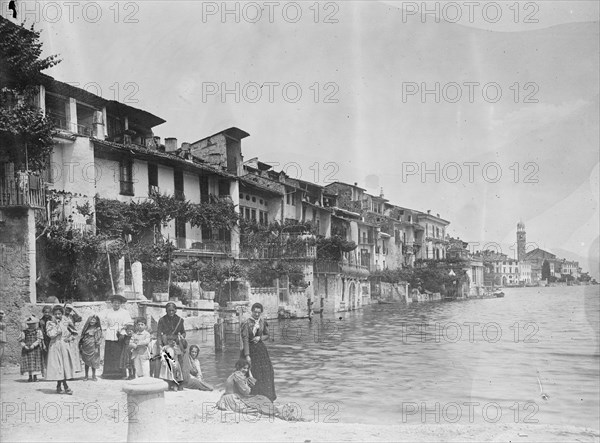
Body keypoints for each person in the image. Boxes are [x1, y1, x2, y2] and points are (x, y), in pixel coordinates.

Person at [216, 358, 292, 419]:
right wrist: (249, 379)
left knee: (260, 399)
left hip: (228, 398)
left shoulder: (234, 374)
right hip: (232, 399)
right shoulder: (238, 375)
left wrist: (247, 378)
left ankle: (276, 409)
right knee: (259, 400)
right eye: (244, 368)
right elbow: (246, 391)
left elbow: (242, 389)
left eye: (247, 369)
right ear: (239, 367)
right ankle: (278, 410)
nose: (245, 370)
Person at [240, 302, 276, 401]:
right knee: (252, 372)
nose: (256, 314)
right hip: (250, 350)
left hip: (261, 350)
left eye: (259, 313)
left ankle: (266, 396)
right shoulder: (246, 323)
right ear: (252, 311)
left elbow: (267, 335)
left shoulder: (262, 322)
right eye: (255, 312)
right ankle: (253, 396)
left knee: (266, 372)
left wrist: (260, 338)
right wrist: (247, 355)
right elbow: (245, 339)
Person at [99, 294, 132, 379]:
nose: (116, 305)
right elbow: (102, 320)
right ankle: (108, 373)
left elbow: (128, 323)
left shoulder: (125, 312)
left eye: (118, 303)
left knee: (119, 353)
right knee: (110, 353)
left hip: (120, 333)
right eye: (114, 303)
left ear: (120, 304)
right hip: (110, 333)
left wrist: (122, 329)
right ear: (112, 303)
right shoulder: (108, 312)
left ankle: (119, 373)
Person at [46, 305, 75, 394]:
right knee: (58, 367)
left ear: (62, 314)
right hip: (55, 346)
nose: (58, 316)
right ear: (53, 315)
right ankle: (66, 386)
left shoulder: (65, 322)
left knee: (64, 366)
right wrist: (57, 327)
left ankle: (59, 386)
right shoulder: (50, 323)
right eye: (56, 314)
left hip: (64, 346)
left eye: (59, 314)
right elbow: (50, 334)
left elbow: (71, 333)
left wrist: (69, 338)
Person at [157, 302, 186, 370]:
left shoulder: (180, 320)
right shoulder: (162, 320)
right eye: (169, 310)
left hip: (176, 341)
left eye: (172, 310)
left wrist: (182, 336)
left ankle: (180, 373)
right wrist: (160, 344)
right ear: (166, 310)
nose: (171, 312)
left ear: (175, 310)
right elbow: (158, 334)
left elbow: (183, 332)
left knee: (180, 357)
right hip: (166, 341)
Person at [20, 316, 43, 382]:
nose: (31, 325)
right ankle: (30, 376)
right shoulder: (24, 332)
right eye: (29, 324)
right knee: (28, 362)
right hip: (27, 349)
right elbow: (21, 340)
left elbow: (39, 339)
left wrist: (34, 345)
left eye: (33, 324)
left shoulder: (38, 331)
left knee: (35, 362)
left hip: (35, 349)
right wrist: (24, 346)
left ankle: (35, 376)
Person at [79, 315, 102, 381]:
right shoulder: (86, 329)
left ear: (96, 321)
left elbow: (98, 339)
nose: (92, 321)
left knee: (93, 361)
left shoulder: (97, 329)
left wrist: (97, 348)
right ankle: (86, 375)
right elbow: (82, 337)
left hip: (93, 346)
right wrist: (81, 345)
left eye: (94, 320)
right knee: (86, 361)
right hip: (86, 346)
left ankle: (93, 375)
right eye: (91, 320)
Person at [39, 306, 53, 377]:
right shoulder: (41, 321)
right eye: (45, 312)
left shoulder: (52, 319)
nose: (47, 313)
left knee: (52, 355)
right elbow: (41, 331)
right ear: (43, 312)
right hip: (45, 339)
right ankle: (45, 372)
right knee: (45, 355)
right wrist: (43, 342)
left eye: (48, 312)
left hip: (52, 339)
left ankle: (52, 372)